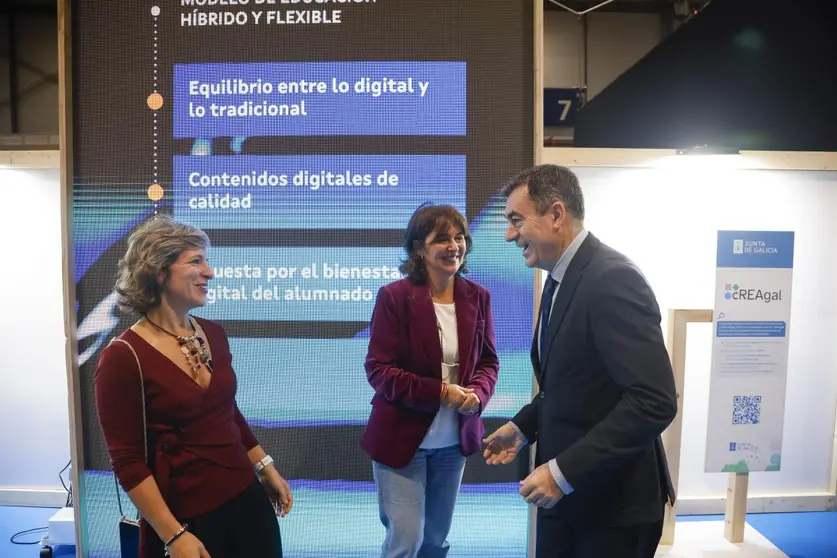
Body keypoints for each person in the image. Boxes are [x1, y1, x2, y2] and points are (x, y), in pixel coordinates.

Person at [483, 165, 677, 558]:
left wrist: (563, 472)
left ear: (556, 215)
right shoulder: (562, 279)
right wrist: (523, 427)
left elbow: (653, 402)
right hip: (573, 505)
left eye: (516, 221)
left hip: (612, 513)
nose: (508, 235)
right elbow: (574, 383)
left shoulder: (611, 280)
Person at [94, 215, 292, 558]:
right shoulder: (123, 357)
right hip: (186, 518)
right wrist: (173, 535)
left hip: (248, 502)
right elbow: (127, 461)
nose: (210, 272)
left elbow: (226, 411)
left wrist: (264, 466)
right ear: (159, 272)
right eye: (196, 261)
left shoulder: (213, 333)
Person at [360, 203, 500, 558]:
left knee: (435, 542)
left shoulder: (478, 297)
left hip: (453, 445)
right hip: (401, 442)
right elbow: (380, 370)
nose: (454, 246)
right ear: (419, 248)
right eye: (442, 239)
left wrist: (478, 396)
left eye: (459, 237)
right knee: (405, 542)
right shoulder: (394, 297)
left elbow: (487, 362)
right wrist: (440, 393)